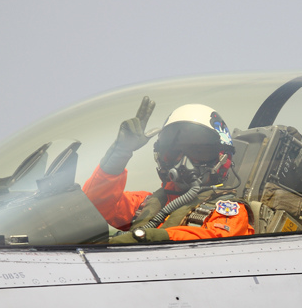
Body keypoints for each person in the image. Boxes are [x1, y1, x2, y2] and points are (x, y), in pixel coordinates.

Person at [82, 97, 254, 243]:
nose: (183, 162)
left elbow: (218, 239)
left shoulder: (229, 210)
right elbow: (93, 207)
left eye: (198, 152)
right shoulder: (144, 204)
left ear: (221, 158)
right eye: (173, 153)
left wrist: (152, 237)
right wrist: (118, 155)